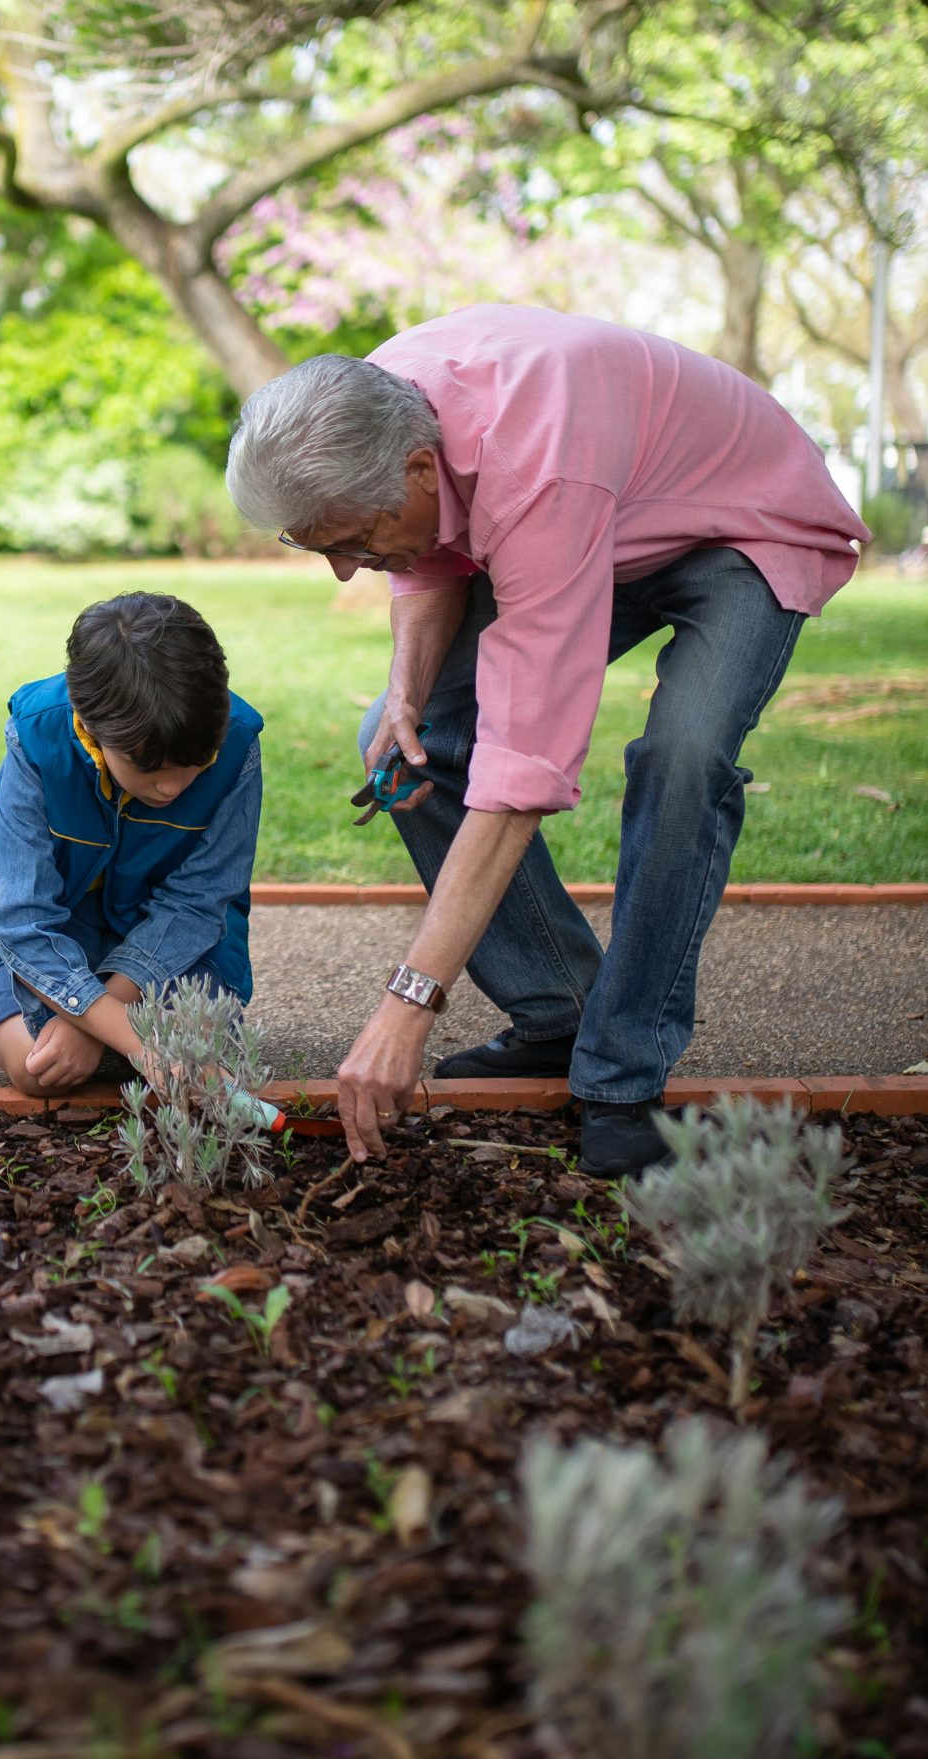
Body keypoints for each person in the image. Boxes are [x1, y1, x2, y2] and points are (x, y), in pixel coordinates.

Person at [225, 304, 866, 1178]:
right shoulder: (374, 403)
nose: (345, 569)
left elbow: (520, 771)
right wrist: (407, 695)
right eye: (319, 549)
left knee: (684, 758)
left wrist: (406, 1005)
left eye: (350, 542)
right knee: (395, 737)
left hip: (741, 526)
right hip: (609, 512)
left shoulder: (536, 467)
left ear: (418, 467)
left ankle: (620, 1071)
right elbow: (423, 553)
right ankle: (560, 1010)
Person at [0, 592, 263, 1096]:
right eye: (150, 768)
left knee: (204, 1062)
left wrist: (96, 1013)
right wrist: (140, 1042)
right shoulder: (36, 733)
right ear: (90, 727)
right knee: (35, 1071)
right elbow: (24, 919)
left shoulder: (237, 742)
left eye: (196, 762)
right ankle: (19, 1003)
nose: (173, 788)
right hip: (46, 930)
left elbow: (197, 904)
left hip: (168, 939)